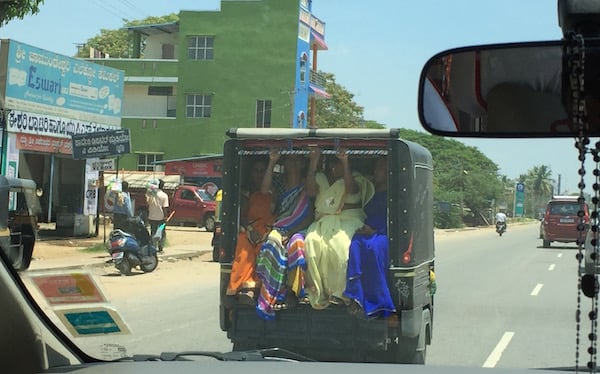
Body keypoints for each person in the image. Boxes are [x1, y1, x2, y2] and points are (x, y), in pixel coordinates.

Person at [303, 147, 374, 310]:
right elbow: (310, 191)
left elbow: (352, 189)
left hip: (349, 219)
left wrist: (345, 162)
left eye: (337, 164)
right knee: (311, 241)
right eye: (331, 164)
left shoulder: (355, 177)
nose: (333, 168)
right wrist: (313, 162)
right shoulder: (320, 177)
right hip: (324, 221)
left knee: (340, 246)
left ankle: (340, 294)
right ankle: (318, 291)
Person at [255, 149, 314, 320]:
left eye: (297, 160)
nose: (293, 163)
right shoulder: (279, 183)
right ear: (285, 164)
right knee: (272, 242)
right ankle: (271, 294)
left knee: (297, 244)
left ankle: (293, 292)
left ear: (303, 163)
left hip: (301, 227)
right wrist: (272, 161)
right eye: (290, 160)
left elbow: (309, 213)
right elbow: (264, 190)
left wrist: (292, 232)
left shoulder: (307, 184)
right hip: (280, 226)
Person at [343, 157, 396, 319]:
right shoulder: (369, 189)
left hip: (384, 232)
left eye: (380, 167)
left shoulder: (394, 193)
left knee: (373, 247)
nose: (376, 171)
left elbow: (393, 218)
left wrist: (374, 229)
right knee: (355, 244)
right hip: (365, 229)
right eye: (376, 167)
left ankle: (378, 302)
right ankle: (356, 296)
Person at [226, 157, 274, 304]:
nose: (259, 174)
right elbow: (242, 216)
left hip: (269, 229)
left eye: (262, 171)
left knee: (264, 248)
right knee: (243, 246)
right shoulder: (245, 192)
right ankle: (238, 289)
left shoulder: (275, 191)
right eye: (256, 171)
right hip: (250, 229)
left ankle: (258, 289)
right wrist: (250, 230)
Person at [146, 179, 169, 252]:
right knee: (161, 233)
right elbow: (164, 208)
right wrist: (165, 217)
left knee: (153, 232)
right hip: (161, 218)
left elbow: (148, 204)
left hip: (152, 217)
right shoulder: (164, 195)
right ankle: (160, 248)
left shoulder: (151, 195)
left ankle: (153, 248)